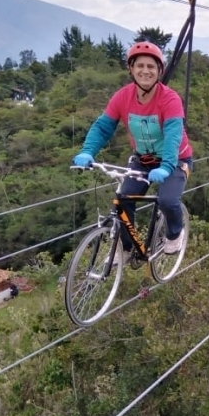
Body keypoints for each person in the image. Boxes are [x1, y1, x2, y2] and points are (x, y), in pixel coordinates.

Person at [73, 41, 193, 261]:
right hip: (143, 160)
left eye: (151, 66)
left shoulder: (170, 99)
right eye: (140, 66)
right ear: (131, 69)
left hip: (176, 160)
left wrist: (167, 166)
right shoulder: (122, 97)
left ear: (159, 71)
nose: (145, 71)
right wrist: (88, 151)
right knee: (124, 199)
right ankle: (126, 248)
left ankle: (175, 234)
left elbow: (173, 136)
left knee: (167, 200)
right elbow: (103, 127)